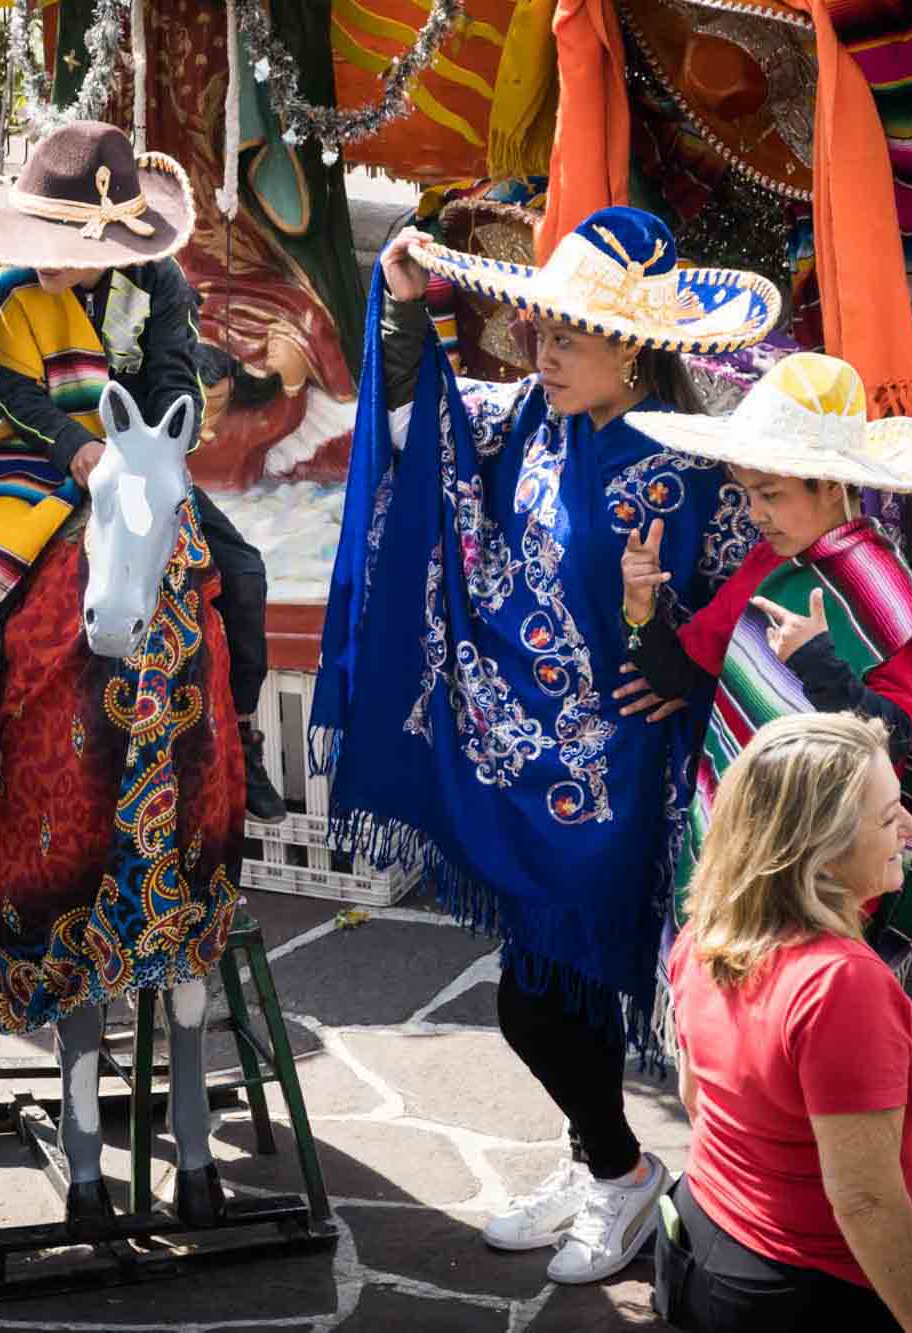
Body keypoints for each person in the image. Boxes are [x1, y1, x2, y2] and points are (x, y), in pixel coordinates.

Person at [311, 207, 780, 1284]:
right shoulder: (528, 414)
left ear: (633, 347)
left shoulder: (694, 462)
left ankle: (618, 1172)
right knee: (548, 987)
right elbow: (410, 434)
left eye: (567, 336)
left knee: (546, 995)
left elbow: (761, 568)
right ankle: (595, 1161)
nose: (540, 350)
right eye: (539, 329)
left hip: (621, 775)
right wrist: (401, 310)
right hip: (520, 765)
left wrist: (684, 654)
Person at [0, 119, 286, 819]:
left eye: (59, 241)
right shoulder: (13, 291)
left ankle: (244, 732)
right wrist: (73, 447)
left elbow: (174, 375)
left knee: (243, 572)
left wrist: (157, 441)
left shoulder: (159, 284)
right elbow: (14, 389)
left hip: (138, 457)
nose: (43, 256)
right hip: (39, 450)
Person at [619, 352, 912, 973]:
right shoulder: (766, 569)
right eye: (749, 494)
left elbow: (897, 740)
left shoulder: (878, 588)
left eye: (770, 494)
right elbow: (684, 680)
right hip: (750, 847)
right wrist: (639, 609)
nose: (756, 514)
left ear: (829, 486)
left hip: (828, 874)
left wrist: (817, 663)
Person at [659, 712, 912, 1333]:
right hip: (806, 1294)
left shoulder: (705, 933)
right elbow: (867, 1201)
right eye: (886, 817)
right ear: (820, 852)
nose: (909, 828)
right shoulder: (838, 984)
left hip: (707, 1241)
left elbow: (696, 1099)